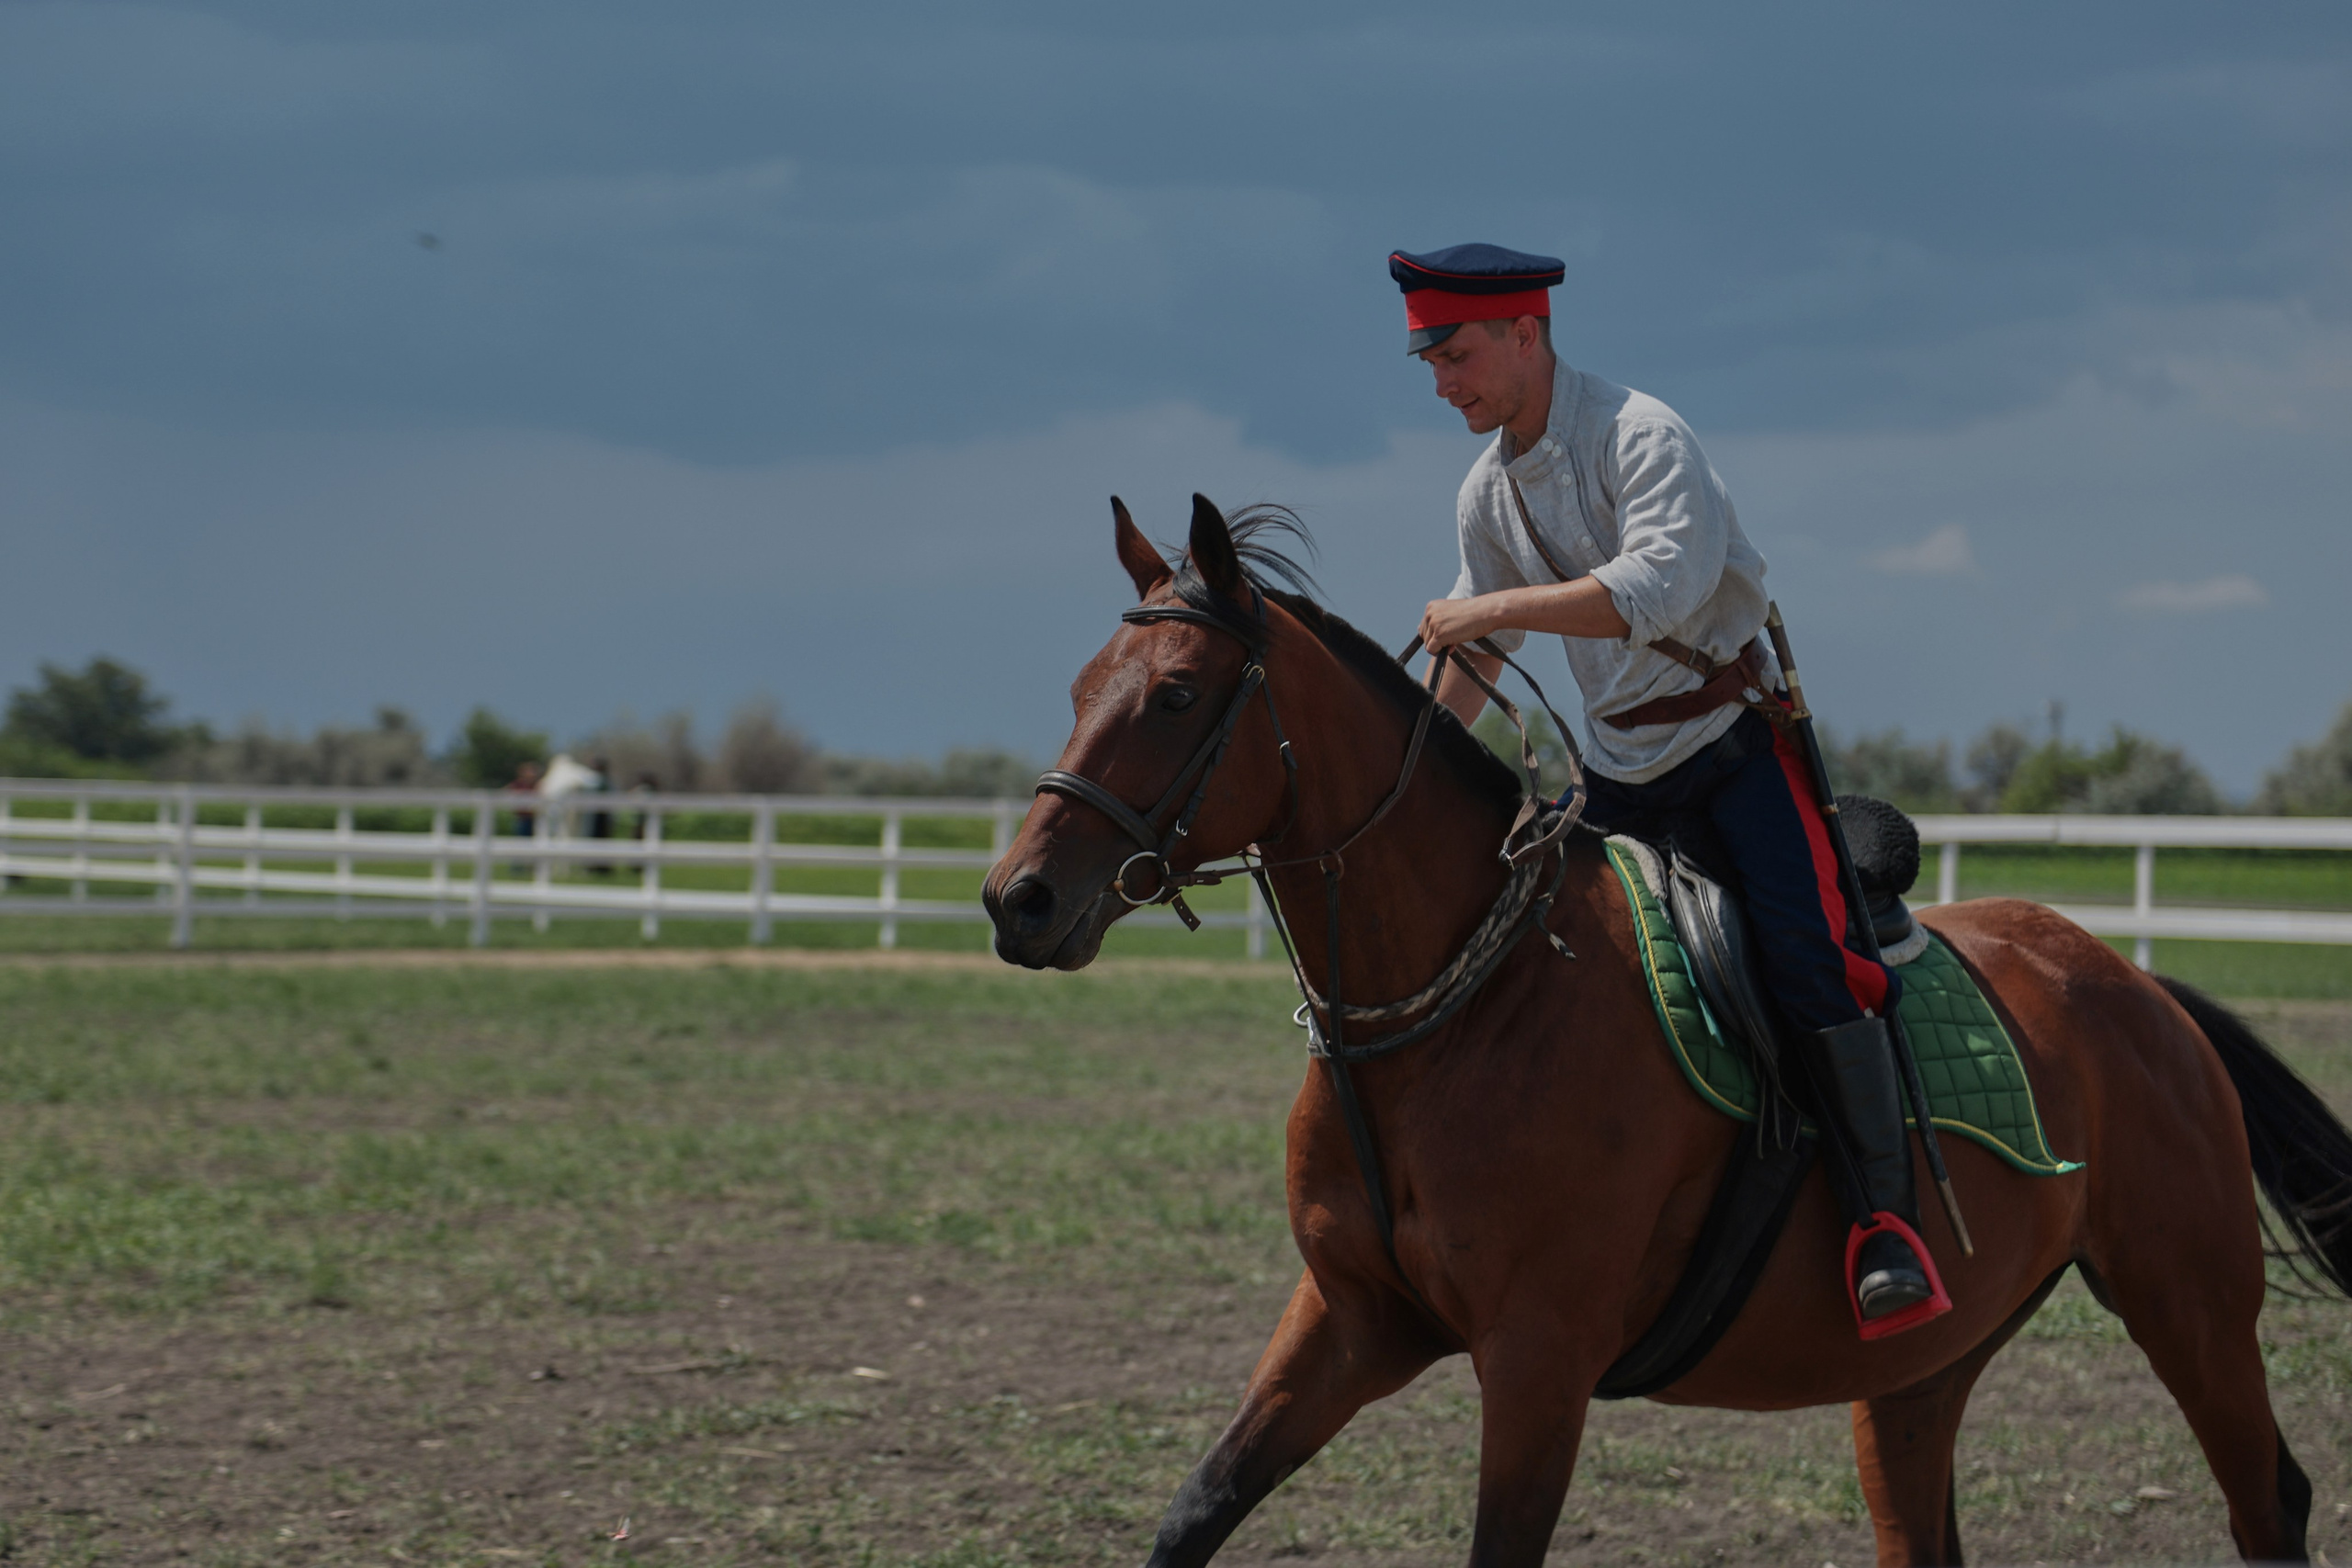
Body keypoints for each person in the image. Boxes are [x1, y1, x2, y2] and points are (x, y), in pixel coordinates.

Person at [1396, 242, 1947, 1333]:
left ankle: (1884, 1227)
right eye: (1430, 363)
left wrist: (1491, 612)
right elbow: (1473, 659)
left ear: (1525, 333)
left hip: (1732, 757)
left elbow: (1653, 590)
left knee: (1807, 961)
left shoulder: (1641, 435)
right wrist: (1409, 763)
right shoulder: (1484, 494)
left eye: (1455, 355)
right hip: (1617, 778)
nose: (1442, 383)